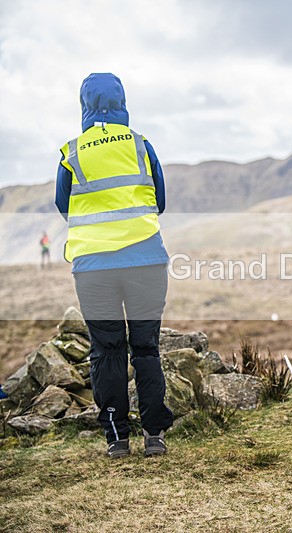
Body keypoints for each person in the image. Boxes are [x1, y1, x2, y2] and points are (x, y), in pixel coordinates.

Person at [55, 73, 173, 459]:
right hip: (145, 261)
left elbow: (63, 206)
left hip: (93, 268)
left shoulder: (72, 152)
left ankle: (116, 438)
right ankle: (154, 434)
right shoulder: (141, 144)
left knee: (107, 351)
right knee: (146, 348)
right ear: (122, 101)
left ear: (83, 105)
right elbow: (160, 200)